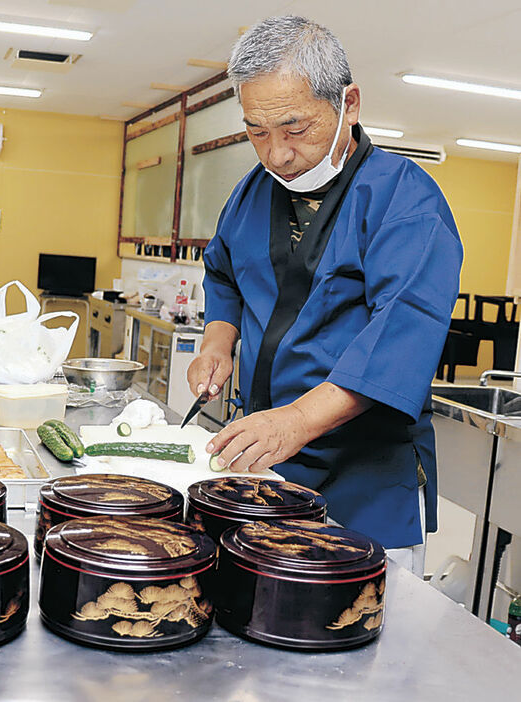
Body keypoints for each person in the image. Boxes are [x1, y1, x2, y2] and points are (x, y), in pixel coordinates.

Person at [187, 15, 463, 575]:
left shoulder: (404, 199)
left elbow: (402, 334)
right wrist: (219, 341)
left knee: (356, 627)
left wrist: (295, 420)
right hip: (268, 463)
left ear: (350, 103)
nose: (277, 155)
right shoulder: (251, 193)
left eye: (294, 128)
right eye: (256, 132)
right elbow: (224, 274)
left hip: (364, 477)